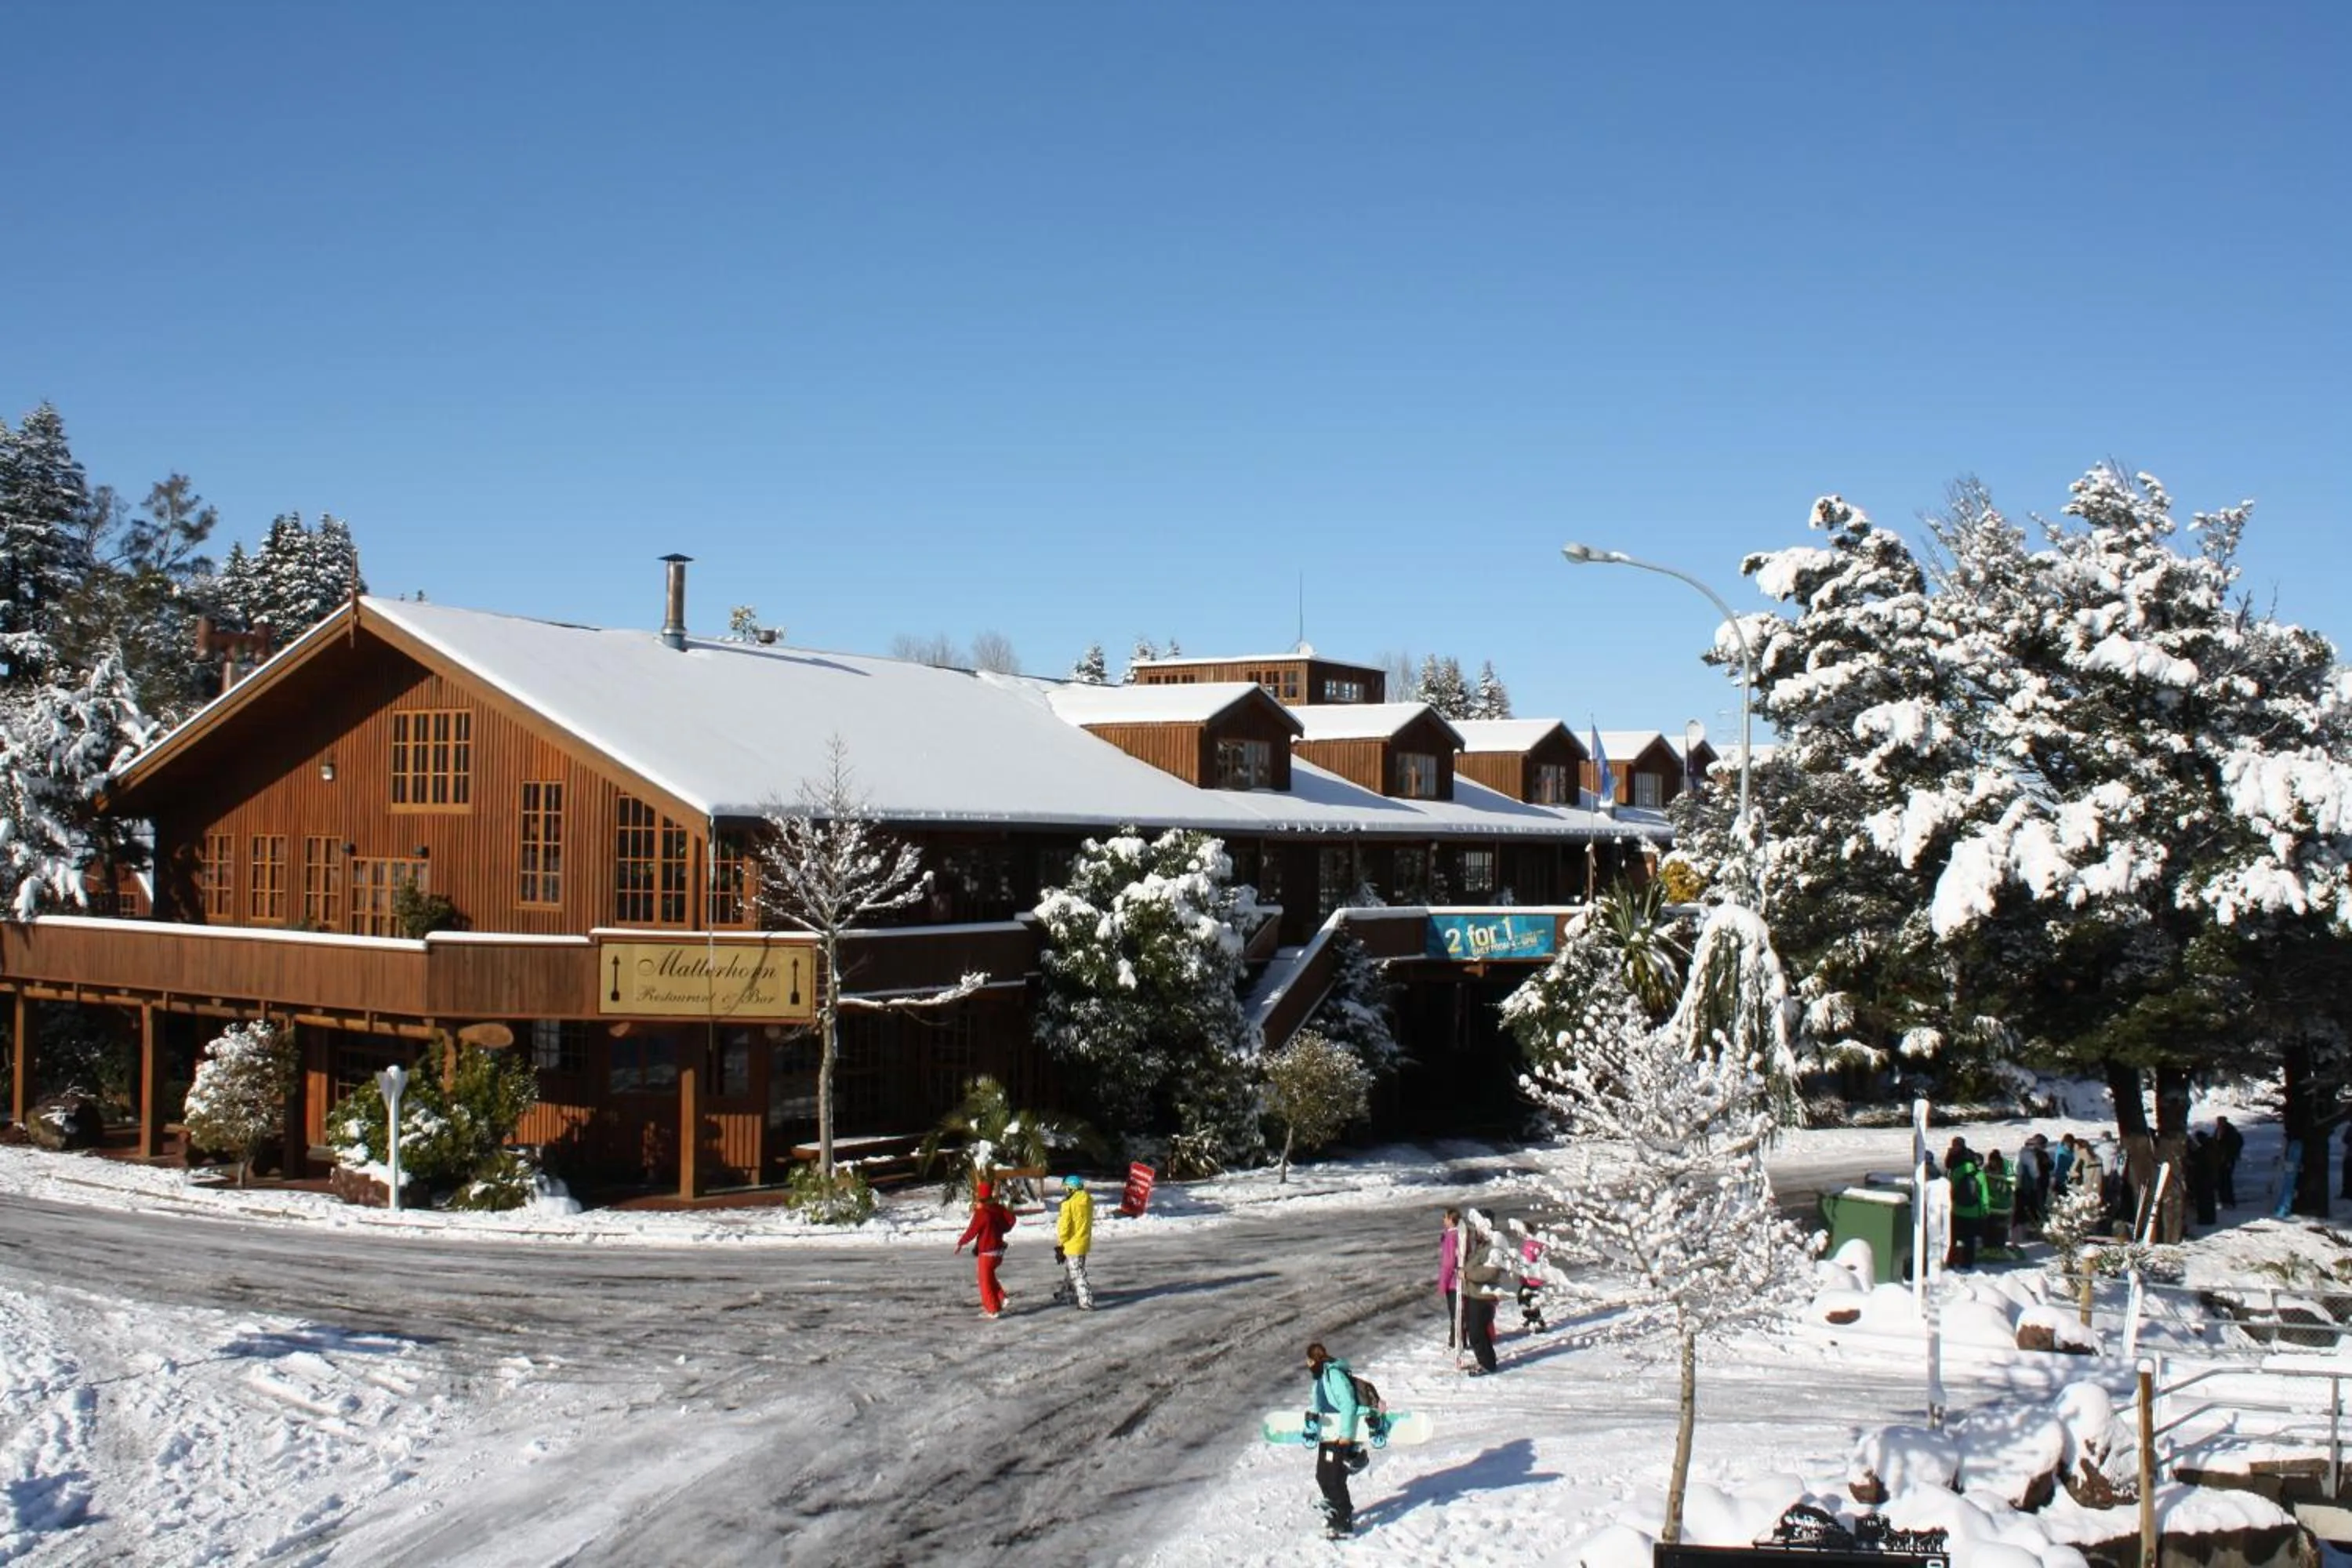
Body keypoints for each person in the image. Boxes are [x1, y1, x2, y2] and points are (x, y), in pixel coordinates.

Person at [1303, 1341, 1367, 1538]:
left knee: (1334, 1478)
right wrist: (1311, 1424)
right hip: (1327, 1434)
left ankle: (1343, 1520)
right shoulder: (1320, 1379)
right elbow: (1317, 1405)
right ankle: (1337, 1512)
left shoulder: (1335, 1375)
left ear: (1313, 1359)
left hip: (1340, 1436)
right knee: (1323, 1475)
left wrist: (1346, 1437)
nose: (1308, 1366)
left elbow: (1348, 1405)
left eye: (1308, 1362)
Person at [953, 1180, 1017, 1319]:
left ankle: (992, 1310)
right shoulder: (998, 1209)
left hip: (987, 1253)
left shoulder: (982, 1213)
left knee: (984, 1282)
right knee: (989, 1276)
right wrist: (1002, 1227)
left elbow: (972, 1231)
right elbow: (1011, 1220)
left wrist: (960, 1243)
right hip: (999, 1252)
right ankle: (1002, 1297)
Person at [1458, 1210, 1508, 1375]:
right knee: (1476, 1331)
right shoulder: (1481, 1243)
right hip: (1474, 1293)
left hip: (1483, 1296)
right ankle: (1485, 1360)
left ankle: (1487, 1364)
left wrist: (1467, 1274)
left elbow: (1491, 1272)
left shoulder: (1494, 1246)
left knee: (1477, 1332)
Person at [1052, 1173, 1095, 1310]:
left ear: (1071, 1189)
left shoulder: (1068, 1204)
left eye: (1066, 1189)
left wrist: (1060, 1245)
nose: (1065, 1192)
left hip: (1072, 1244)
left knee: (1077, 1273)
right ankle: (1065, 1294)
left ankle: (1086, 1300)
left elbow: (1065, 1227)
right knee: (1072, 1270)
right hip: (1083, 1242)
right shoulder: (1088, 1201)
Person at [1945, 1138, 1986, 1269]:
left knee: (1953, 1238)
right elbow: (1984, 1195)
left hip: (1957, 1210)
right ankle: (1967, 1264)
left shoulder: (1957, 1171)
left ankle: (1951, 1261)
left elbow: (1951, 1189)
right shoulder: (1980, 1175)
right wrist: (1985, 1211)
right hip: (1973, 1212)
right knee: (1970, 1240)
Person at [1514, 1225, 1549, 1334]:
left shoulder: (1530, 1245)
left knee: (1526, 1299)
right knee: (1527, 1298)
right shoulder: (1533, 1243)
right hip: (1533, 1278)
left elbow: (1528, 1261)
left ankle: (1537, 1322)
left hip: (1532, 1278)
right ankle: (1533, 1319)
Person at [1436, 1208, 1463, 1350]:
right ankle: (1458, 1339)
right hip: (1458, 1279)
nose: (1443, 1220)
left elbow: (1449, 1262)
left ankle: (1455, 1341)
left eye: (1445, 1217)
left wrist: (1443, 1284)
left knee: (1455, 1313)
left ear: (1451, 1220)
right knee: (1458, 1311)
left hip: (1453, 1282)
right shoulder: (1458, 1234)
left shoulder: (1452, 1237)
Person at [2213, 1116, 2244, 1207]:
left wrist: (2230, 1157)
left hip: (2228, 1159)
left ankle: (2229, 1200)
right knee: (2221, 1180)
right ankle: (2223, 1199)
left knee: (2227, 1180)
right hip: (2220, 1159)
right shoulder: (2219, 1131)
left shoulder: (2230, 1132)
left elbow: (2232, 1146)